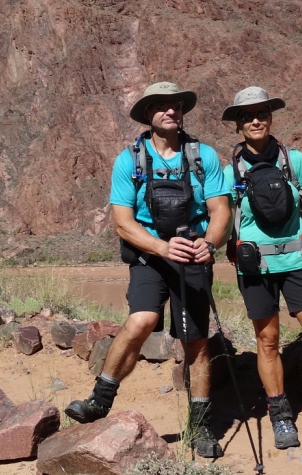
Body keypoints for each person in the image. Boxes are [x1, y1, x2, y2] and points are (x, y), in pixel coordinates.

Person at [66, 82, 231, 458]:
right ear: (147, 115)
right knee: (140, 321)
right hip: (150, 257)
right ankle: (100, 399)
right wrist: (161, 246)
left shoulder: (202, 156)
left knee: (196, 343)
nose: (170, 111)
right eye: (160, 106)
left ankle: (201, 425)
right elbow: (123, 222)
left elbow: (221, 210)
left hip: (192, 256)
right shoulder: (130, 160)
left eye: (175, 105)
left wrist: (210, 243)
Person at [220, 86, 302, 451]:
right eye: (247, 115)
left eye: (261, 112)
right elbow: (222, 218)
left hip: (298, 262)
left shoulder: (294, 160)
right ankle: (280, 416)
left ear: (271, 116)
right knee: (267, 341)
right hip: (256, 267)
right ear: (238, 124)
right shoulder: (228, 170)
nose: (255, 120)